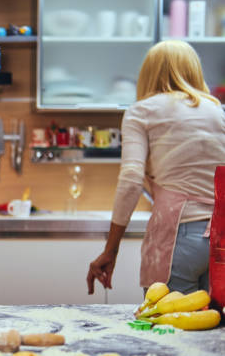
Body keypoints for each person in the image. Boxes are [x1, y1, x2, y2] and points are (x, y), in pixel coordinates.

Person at [86, 40, 225, 296]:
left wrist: (111, 249)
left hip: (177, 238)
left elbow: (130, 179)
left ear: (149, 73)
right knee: (214, 332)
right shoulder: (218, 111)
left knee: (169, 329)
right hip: (221, 238)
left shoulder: (142, 112)